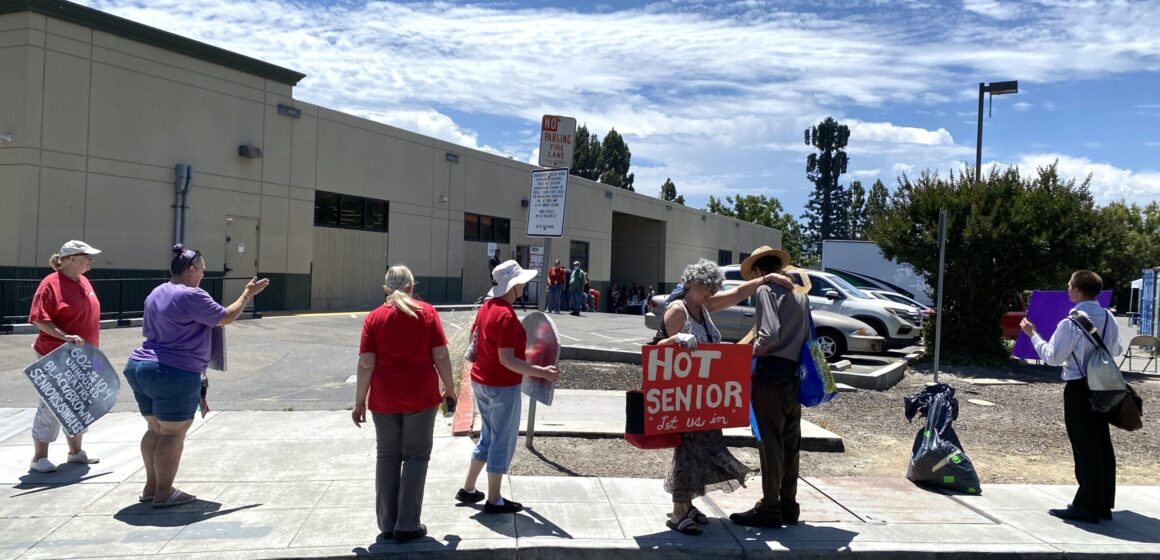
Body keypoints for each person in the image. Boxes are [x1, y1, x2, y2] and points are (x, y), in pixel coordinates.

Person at [654, 259, 794, 535]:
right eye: (707, 289)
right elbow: (658, 351)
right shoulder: (677, 310)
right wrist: (677, 339)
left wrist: (767, 280)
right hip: (684, 397)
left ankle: (688, 504)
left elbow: (739, 293)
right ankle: (678, 511)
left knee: (704, 451)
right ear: (692, 284)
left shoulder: (702, 307)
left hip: (704, 396)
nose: (711, 294)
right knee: (686, 451)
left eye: (713, 289)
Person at [123, 244, 269, 508]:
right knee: (172, 434)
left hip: (139, 366)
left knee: (155, 428)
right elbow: (224, 317)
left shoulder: (157, 291)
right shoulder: (192, 295)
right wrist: (247, 294)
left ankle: (152, 487)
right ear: (191, 270)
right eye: (202, 269)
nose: (203, 274)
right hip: (173, 371)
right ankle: (164, 493)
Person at [352, 265, 455, 544]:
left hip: (384, 399)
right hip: (421, 396)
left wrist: (359, 402)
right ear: (411, 286)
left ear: (386, 288)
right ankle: (407, 524)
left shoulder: (374, 318)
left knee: (387, 457)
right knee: (416, 457)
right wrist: (450, 387)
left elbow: (365, 364)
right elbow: (441, 356)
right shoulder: (427, 313)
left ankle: (387, 523)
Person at [457, 260, 559, 513]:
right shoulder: (505, 314)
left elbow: (474, 339)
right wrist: (541, 372)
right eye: (521, 282)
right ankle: (494, 499)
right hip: (501, 385)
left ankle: (468, 488)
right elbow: (507, 360)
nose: (524, 285)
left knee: (488, 436)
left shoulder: (487, 306)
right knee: (502, 440)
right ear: (513, 285)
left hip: (480, 379)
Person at [1021, 270, 1122, 524]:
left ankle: (1086, 505)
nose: (1067, 289)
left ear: (1077, 289)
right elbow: (1117, 349)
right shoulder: (1109, 317)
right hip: (1104, 385)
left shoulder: (1071, 322)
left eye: (1069, 285)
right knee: (1101, 443)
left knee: (1084, 445)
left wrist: (1033, 334)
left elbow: (1053, 357)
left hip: (1079, 387)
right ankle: (1102, 503)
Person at [730, 246, 810, 529]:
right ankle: (789, 504)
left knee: (770, 444)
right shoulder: (800, 293)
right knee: (791, 443)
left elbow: (769, 334)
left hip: (770, 376)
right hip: (794, 375)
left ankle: (770, 507)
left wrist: (751, 353)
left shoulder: (766, 291)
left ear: (758, 272)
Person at [26, 240, 104, 473]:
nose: (90, 260)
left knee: (78, 403)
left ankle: (75, 453)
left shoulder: (84, 281)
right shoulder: (50, 284)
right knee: (52, 403)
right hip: (55, 354)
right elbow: (39, 319)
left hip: (82, 356)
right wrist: (65, 336)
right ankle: (39, 457)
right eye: (86, 256)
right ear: (70, 259)